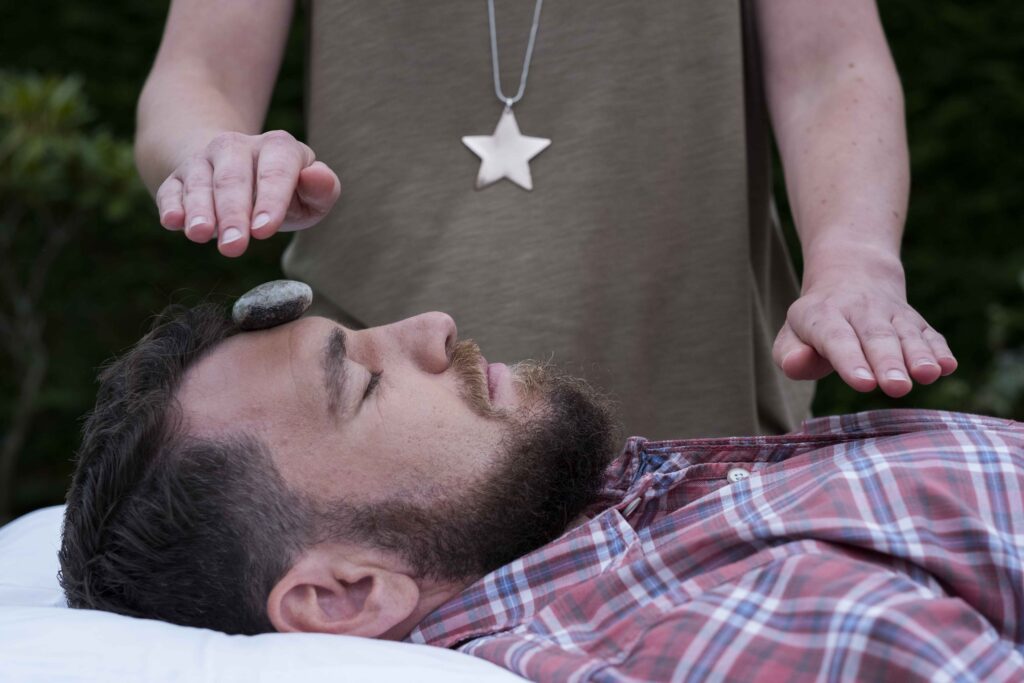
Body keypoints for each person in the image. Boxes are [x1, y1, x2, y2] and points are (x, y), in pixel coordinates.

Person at [133, 0, 958, 440]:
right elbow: (195, 74)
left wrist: (854, 259)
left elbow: (830, 71)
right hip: (379, 454)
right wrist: (217, 151)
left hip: (701, 413)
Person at [60, 304, 1023, 680]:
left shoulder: (612, 519)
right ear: (345, 593)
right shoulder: (699, 630)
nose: (433, 325)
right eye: (364, 381)